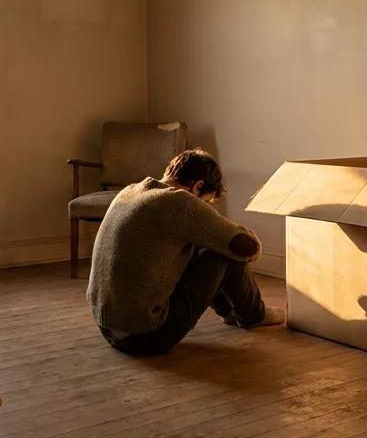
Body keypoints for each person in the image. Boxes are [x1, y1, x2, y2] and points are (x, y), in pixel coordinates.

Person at [86, 148, 286, 355]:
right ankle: (254, 316)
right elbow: (245, 246)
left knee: (197, 246)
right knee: (224, 255)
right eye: (206, 202)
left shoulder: (130, 191)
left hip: (107, 328)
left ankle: (229, 313)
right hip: (146, 336)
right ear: (198, 186)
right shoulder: (181, 202)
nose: (205, 207)